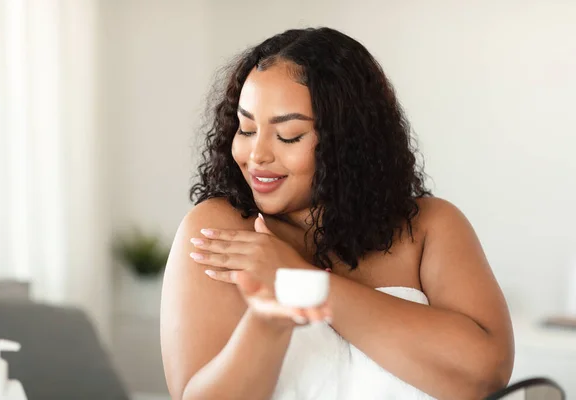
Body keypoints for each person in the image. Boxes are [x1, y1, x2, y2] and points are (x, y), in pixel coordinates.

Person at [160, 27, 514, 400]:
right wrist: (268, 321)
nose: (256, 154)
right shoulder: (219, 232)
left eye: (289, 135)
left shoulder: (430, 227)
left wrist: (303, 281)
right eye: (246, 128)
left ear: (349, 142)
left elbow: (485, 377)